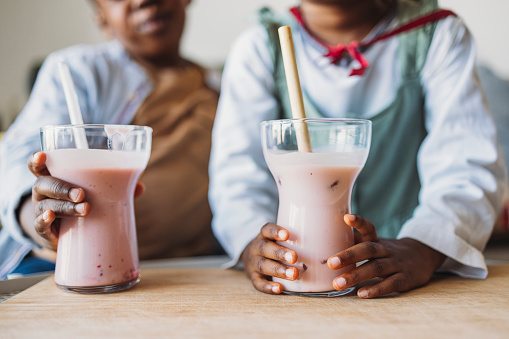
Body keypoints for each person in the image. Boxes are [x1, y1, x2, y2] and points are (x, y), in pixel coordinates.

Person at [209, 0, 508, 298]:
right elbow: (237, 176)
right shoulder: (260, 47)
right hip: (293, 268)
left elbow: (467, 164)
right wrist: (253, 242)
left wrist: (426, 246)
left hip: (407, 260)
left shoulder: (438, 34)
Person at [0, 0, 221, 279]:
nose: (143, 1)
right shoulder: (82, 71)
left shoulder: (220, 89)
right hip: (58, 267)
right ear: (101, 18)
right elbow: (18, 156)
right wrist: (38, 217)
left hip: (191, 269)